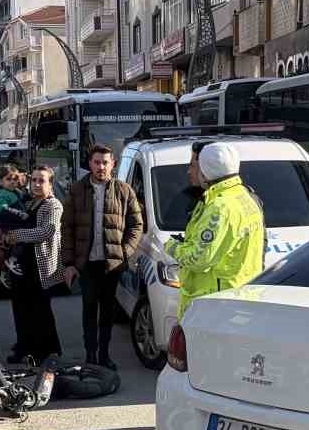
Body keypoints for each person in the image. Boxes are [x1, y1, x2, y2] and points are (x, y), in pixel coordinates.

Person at [59, 143, 143, 369]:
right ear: (90, 164)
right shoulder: (77, 190)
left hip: (111, 265)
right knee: (89, 309)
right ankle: (91, 356)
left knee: (107, 312)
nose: (101, 167)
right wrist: (68, 264)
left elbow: (136, 225)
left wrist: (124, 252)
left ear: (113, 164)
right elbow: (66, 227)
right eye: (97, 162)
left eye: (105, 162)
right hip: (86, 264)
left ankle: (105, 355)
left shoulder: (124, 191)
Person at [167, 143, 265, 320]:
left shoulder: (220, 207)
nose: (192, 172)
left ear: (205, 171)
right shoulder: (245, 197)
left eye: (196, 167)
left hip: (213, 308)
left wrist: (172, 247)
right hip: (238, 301)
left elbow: (198, 259)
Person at [5, 165, 64, 363]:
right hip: (21, 266)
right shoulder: (28, 203)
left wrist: (17, 235)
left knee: (40, 312)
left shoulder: (53, 205)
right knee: (21, 310)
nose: (37, 184)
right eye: (34, 180)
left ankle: (47, 352)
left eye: (42, 181)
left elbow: (48, 231)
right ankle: (25, 347)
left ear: (50, 184)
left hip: (40, 267)